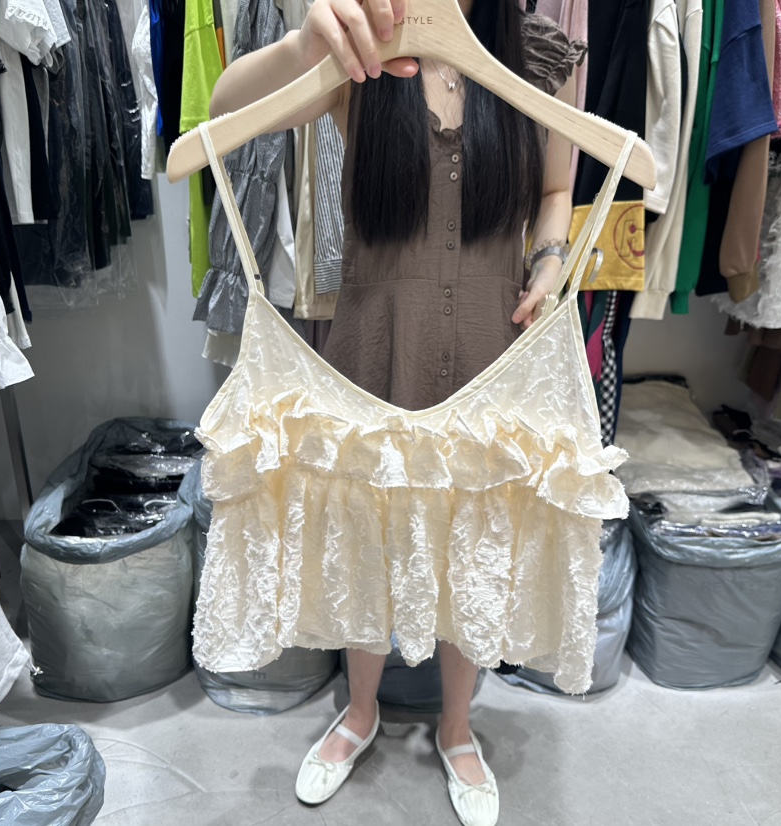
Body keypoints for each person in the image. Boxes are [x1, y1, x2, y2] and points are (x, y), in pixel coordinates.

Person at [210, 2, 582, 824]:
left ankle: (458, 727)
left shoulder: (538, 60)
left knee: (470, 544)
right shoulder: (367, 59)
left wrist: (551, 259)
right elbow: (224, 113)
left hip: (490, 355)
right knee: (368, 540)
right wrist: (306, 43)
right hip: (376, 353)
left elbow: (557, 188)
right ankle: (359, 712)